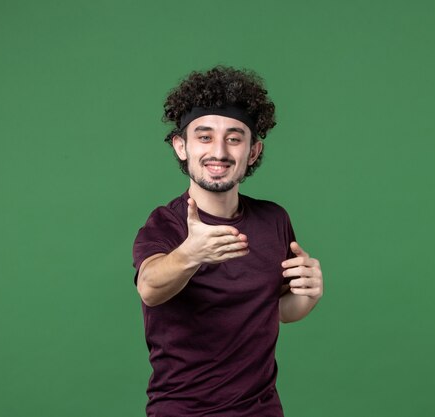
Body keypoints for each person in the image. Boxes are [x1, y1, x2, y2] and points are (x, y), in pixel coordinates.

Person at [132, 66, 324, 417]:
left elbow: (278, 311)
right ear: (181, 147)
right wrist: (190, 254)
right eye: (204, 137)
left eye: (234, 138)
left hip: (262, 410)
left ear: (252, 151)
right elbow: (149, 287)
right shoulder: (166, 223)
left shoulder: (274, 220)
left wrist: (307, 294)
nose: (219, 151)